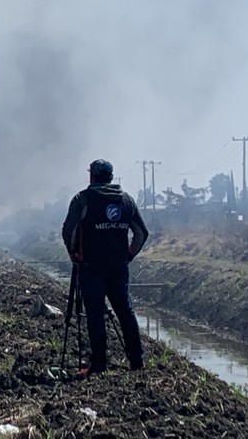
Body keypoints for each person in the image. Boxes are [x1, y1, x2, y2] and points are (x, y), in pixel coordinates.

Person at [61, 159, 149, 375]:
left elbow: (68, 230)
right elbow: (141, 233)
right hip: (118, 267)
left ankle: (99, 364)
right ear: (110, 177)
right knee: (125, 312)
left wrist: (74, 254)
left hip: (91, 267)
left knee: (95, 314)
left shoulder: (82, 199)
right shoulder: (126, 201)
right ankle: (137, 362)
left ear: (92, 176)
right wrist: (127, 256)